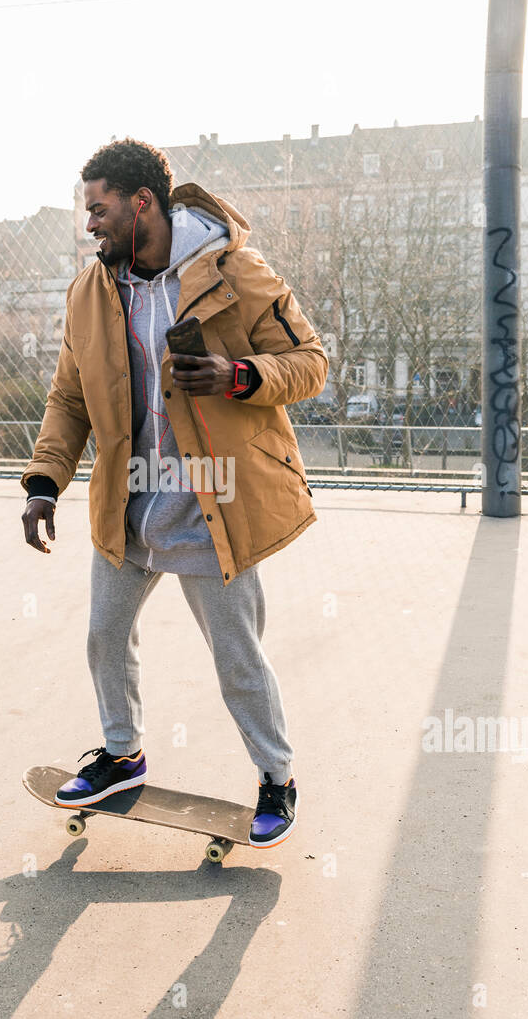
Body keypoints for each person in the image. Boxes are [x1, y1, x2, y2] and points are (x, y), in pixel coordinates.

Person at [21, 138, 328, 848]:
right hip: (129, 500)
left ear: (141, 204)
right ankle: (121, 756)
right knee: (104, 636)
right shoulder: (90, 292)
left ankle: (276, 778)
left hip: (213, 502)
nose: (89, 224)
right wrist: (44, 482)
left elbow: (309, 363)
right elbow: (69, 397)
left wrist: (238, 376)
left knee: (236, 656)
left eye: (98, 209)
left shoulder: (234, 272)